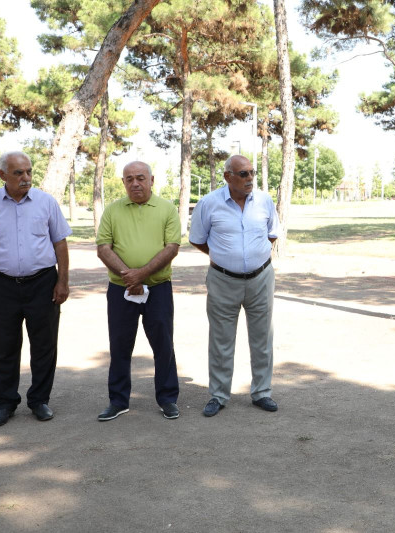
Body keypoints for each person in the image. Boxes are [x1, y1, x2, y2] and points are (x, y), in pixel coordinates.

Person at [0, 151, 71, 427]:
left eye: (29, 172)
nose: (26, 178)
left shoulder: (46, 202)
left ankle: (39, 400)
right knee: (2, 347)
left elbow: (60, 243)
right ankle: (4, 403)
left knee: (44, 345)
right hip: (1, 285)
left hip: (43, 283)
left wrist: (62, 281)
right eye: (18, 173)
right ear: (2, 175)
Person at [189, 155, 279, 417]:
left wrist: (251, 257)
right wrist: (224, 257)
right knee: (221, 340)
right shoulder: (209, 203)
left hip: (261, 278)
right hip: (222, 280)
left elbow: (271, 234)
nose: (249, 178)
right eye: (243, 174)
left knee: (262, 338)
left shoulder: (264, 201)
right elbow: (198, 239)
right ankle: (218, 395)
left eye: (252, 172)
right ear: (227, 176)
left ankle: (262, 392)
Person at [95, 161, 181, 421]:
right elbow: (103, 248)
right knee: (120, 345)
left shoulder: (166, 208)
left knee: (163, 344)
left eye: (141, 178)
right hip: (121, 290)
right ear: (123, 182)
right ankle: (118, 400)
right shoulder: (113, 210)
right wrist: (129, 276)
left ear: (151, 180)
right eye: (129, 179)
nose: (135, 183)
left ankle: (167, 398)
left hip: (158, 288)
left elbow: (171, 247)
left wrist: (141, 274)